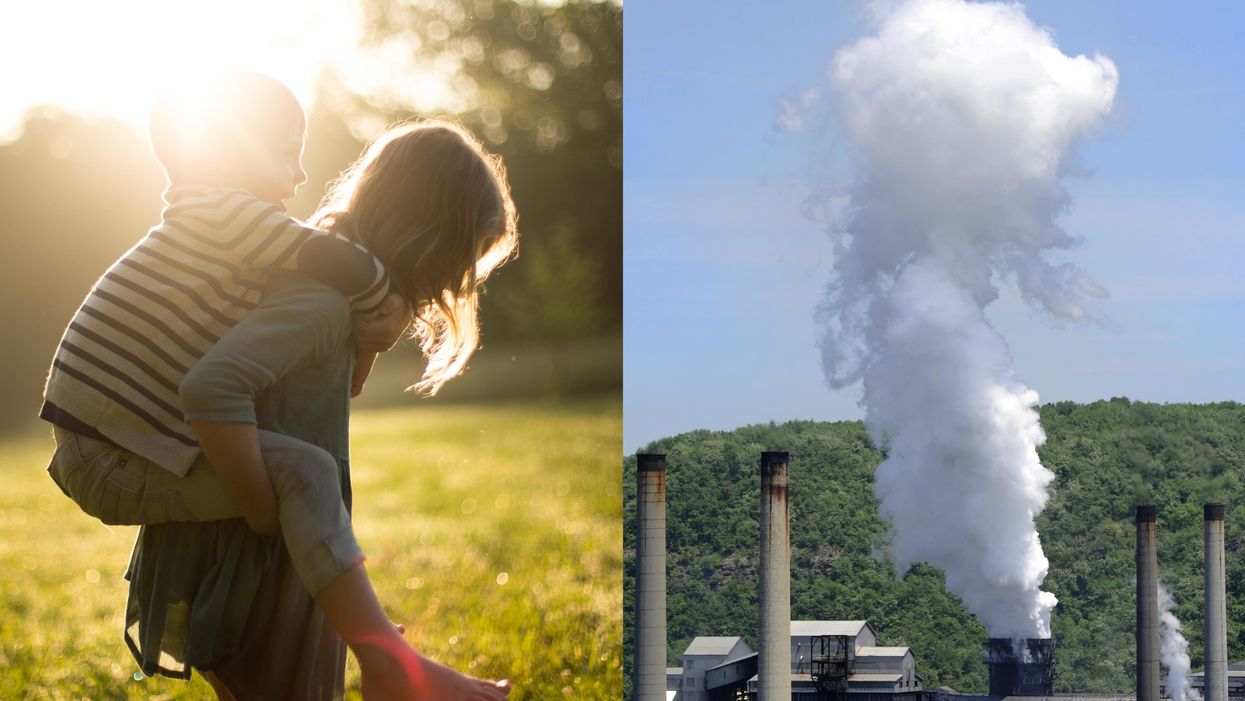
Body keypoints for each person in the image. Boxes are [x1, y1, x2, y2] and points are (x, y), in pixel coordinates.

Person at [40, 69, 513, 698]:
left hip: (123, 451)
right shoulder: (299, 281)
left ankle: (377, 644)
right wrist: (268, 508)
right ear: (429, 239)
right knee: (305, 473)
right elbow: (212, 390)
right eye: (459, 264)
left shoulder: (263, 253)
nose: (300, 174)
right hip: (115, 457)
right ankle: (387, 661)